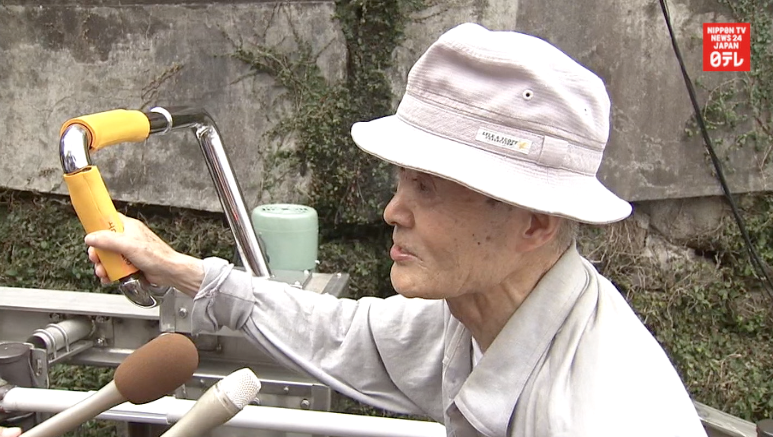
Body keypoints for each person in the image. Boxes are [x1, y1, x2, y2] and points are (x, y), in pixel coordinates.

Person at [76, 22, 707, 437]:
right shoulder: (483, 314)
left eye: (428, 188)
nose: (392, 211)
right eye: (403, 181)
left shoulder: (597, 415)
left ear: (535, 223)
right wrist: (179, 268)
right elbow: (352, 334)